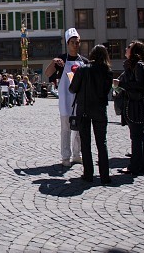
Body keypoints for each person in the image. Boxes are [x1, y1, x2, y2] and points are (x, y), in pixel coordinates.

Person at [69, 45, 113, 184]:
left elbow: (72, 89)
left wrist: (74, 79)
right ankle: (105, 175)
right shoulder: (107, 71)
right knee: (102, 142)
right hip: (99, 109)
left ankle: (88, 174)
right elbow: (106, 90)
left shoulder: (83, 69)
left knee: (85, 142)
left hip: (84, 109)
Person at [44, 28, 87, 169]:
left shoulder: (84, 61)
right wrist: (53, 62)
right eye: (73, 42)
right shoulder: (61, 60)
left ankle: (77, 154)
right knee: (65, 129)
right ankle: (65, 156)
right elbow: (47, 73)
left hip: (79, 100)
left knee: (78, 129)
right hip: (65, 100)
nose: (75, 44)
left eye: (77, 42)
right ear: (68, 44)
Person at [119, 41, 144, 176]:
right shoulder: (133, 65)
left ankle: (135, 166)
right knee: (139, 135)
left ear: (134, 51)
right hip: (134, 104)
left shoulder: (139, 66)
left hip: (137, 105)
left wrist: (121, 84)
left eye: (129, 47)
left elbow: (139, 86)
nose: (126, 49)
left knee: (137, 136)